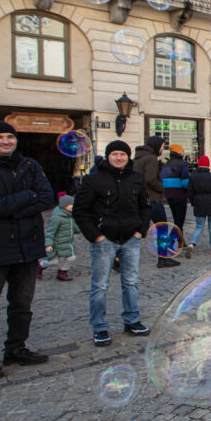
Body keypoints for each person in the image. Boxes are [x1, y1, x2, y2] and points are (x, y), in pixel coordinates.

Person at [0, 120, 54, 379]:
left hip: (26, 245)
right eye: (0, 137)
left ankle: (16, 348)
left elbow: (47, 198)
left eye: (10, 136)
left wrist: (8, 202)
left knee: (22, 304)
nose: (6, 141)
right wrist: (28, 196)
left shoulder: (30, 165)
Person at [74, 140, 152, 347]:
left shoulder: (136, 178)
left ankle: (132, 320)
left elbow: (145, 206)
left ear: (128, 157)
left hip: (131, 238)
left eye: (123, 154)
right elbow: (80, 211)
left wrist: (140, 231)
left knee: (131, 282)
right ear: (108, 156)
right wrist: (96, 236)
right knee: (100, 285)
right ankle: (99, 327)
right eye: (115, 154)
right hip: (105, 239)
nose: (119, 158)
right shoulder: (93, 180)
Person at [133, 136, 178, 269]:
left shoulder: (139, 158)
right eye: (162, 146)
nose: (162, 149)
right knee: (162, 228)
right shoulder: (151, 159)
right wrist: (161, 189)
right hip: (152, 199)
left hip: (141, 199)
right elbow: (150, 179)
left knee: (136, 229)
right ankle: (163, 258)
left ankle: (118, 258)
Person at [185, 156, 211, 256]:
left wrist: (194, 202)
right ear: (208, 165)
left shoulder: (193, 176)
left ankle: (192, 244)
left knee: (199, 226)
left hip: (199, 204)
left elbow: (190, 193)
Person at [43, 194, 79, 281]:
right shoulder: (57, 218)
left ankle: (62, 272)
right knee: (53, 261)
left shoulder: (70, 216)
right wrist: (48, 244)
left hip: (67, 244)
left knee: (72, 258)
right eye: (71, 205)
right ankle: (40, 266)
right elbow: (50, 232)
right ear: (64, 205)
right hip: (57, 245)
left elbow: (72, 228)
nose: (73, 207)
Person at [161, 143, 190, 242]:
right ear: (179, 152)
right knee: (179, 220)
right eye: (182, 151)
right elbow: (185, 182)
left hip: (169, 195)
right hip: (180, 194)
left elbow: (163, 181)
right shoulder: (183, 164)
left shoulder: (166, 164)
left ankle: (181, 240)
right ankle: (171, 240)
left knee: (176, 218)